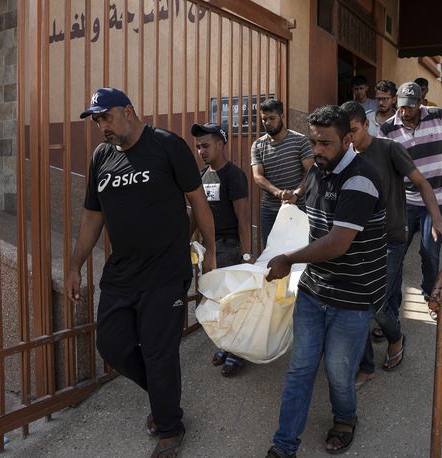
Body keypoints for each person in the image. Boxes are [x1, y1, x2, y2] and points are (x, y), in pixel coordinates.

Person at [66, 88, 216, 457]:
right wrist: (74, 265)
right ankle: (165, 397)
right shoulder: (101, 157)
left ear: (128, 112)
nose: (101, 125)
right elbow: (92, 216)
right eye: (96, 119)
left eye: (106, 116)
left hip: (166, 271)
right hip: (122, 273)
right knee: (112, 345)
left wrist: (211, 251)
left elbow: (197, 199)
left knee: (158, 351)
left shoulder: (166, 145)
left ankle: (169, 426)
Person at [264, 105, 386, 457]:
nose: (317, 150)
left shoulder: (361, 179)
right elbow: (307, 217)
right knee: (300, 368)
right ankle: (283, 445)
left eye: (325, 143)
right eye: (314, 142)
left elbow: (336, 243)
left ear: (348, 139)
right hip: (315, 288)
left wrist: (288, 259)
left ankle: (345, 419)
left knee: (337, 369)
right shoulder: (318, 170)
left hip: (354, 293)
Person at [341, 101, 442, 387]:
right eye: (344, 133)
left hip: (390, 238)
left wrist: (437, 220)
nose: (349, 138)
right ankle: (366, 364)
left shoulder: (389, 149)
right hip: (355, 239)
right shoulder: (345, 155)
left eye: (353, 131)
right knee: (365, 301)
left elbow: (423, 184)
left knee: (375, 304)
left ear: (366, 125)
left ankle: (395, 337)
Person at [379, 81, 442, 308]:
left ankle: (431, 295)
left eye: (410, 108)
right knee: (395, 256)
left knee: (429, 253)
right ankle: (390, 309)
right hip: (405, 202)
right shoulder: (387, 130)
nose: (405, 112)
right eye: (402, 107)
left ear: (421, 104)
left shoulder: (438, 116)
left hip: (437, 199)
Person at [191, 122, 249, 377]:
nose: (201, 151)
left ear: (221, 144)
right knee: (217, 301)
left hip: (229, 247)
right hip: (209, 249)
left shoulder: (234, 175)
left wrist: (247, 256)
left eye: (206, 146)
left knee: (232, 303)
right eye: (198, 147)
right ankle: (226, 345)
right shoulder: (203, 176)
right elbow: (196, 213)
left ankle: (238, 353)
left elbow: (244, 220)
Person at [250, 99, 313, 246]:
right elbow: (258, 177)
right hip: (270, 210)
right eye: (264, 119)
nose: (268, 122)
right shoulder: (258, 145)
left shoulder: (300, 140)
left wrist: (296, 194)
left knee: (299, 251)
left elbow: (311, 172)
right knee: (271, 254)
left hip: (298, 207)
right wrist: (278, 193)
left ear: (282, 116)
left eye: (272, 118)